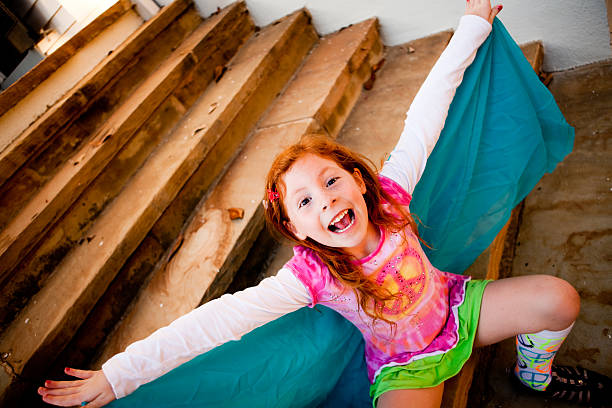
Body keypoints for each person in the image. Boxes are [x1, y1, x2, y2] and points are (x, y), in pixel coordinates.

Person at [37, 1, 610, 407]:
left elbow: (426, 114)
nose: (327, 202)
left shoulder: (391, 194)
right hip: (406, 367)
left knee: (559, 299)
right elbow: (210, 325)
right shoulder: (306, 279)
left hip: (460, 314)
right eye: (306, 201)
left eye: (332, 182)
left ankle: (536, 377)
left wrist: (471, 28)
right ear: (296, 227)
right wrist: (118, 375)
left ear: (359, 182)